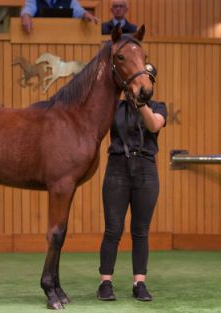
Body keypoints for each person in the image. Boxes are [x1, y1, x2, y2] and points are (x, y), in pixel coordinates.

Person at [96, 84, 167, 301]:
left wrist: (141, 104)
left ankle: (139, 283)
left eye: (146, 83)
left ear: (151, 85)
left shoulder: (157, 106)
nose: (140, 87)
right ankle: (105, 283)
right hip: (117, 166)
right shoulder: (115, 107)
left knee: (141, 230)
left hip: (146, 168)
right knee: (113, 229)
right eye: (136, 84)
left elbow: (154, 125)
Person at [20, 0, 99, 34]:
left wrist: (85, 14)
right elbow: (29, 7)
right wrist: (26, 15)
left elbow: (78, 10)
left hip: (65, 44)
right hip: (38, 42)